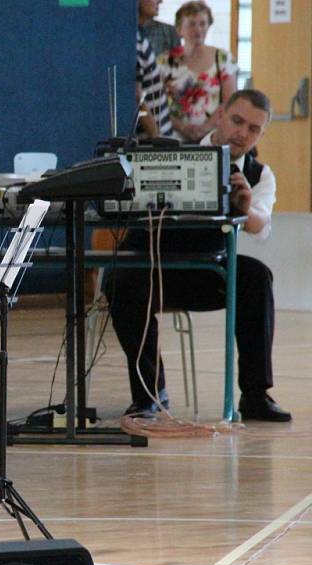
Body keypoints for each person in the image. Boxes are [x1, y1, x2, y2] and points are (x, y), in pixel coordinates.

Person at [105, 89, 291, 422]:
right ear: (220, 115)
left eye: (253, 129)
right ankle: (149, 394)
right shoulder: (170, 153)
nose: (242, 133)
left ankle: (255, 394)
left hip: (208, 271)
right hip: (151, 267)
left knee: (255, 275)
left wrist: (245, 209)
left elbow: (261, 226)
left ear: (261, 134)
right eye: (237, 121)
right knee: (120, 275)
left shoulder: (259, 174)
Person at [158, 1, 237, 143]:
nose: (198, 29)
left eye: (202, 24)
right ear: (179, 29)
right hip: (173, 137)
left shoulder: (223, 58)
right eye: (192, 24)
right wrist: (183, 127)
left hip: (212, 136)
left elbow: (229, 101)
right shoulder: (164, 61)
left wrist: (205, 128)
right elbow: (157, 103)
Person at [137, 17, 173, 139]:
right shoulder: (134, 38)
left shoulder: (140, 34)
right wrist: (156, 137)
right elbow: (136, 97)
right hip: (150, 141)